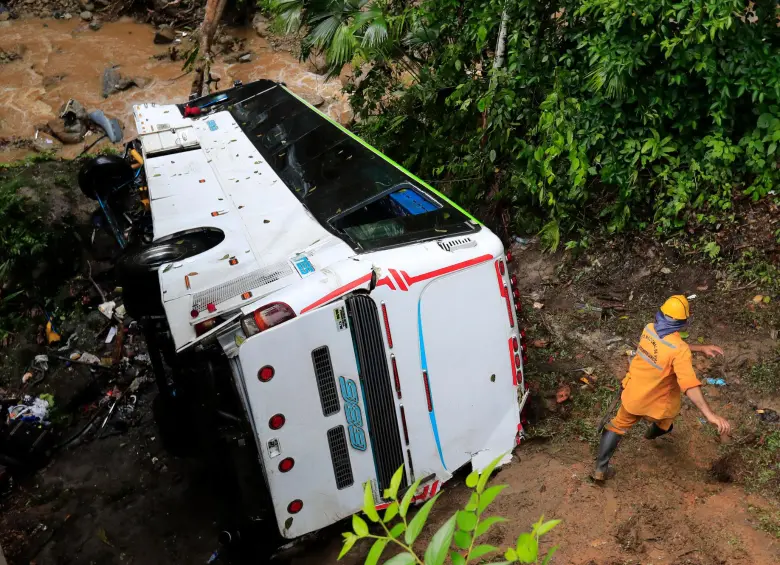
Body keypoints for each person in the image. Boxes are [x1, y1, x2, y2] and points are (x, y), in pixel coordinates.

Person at [592, 295, 731, 481]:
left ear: (660, 314)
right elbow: (689, 384)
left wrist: (700, 347)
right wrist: (710, 415)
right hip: (659, 405)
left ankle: (600, 470)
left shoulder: (649, 329)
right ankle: (651, 434)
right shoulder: (679, 350)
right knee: (665, 423)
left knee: (617, 426)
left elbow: (668, 345)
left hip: (633, 394)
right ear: (683, 322)